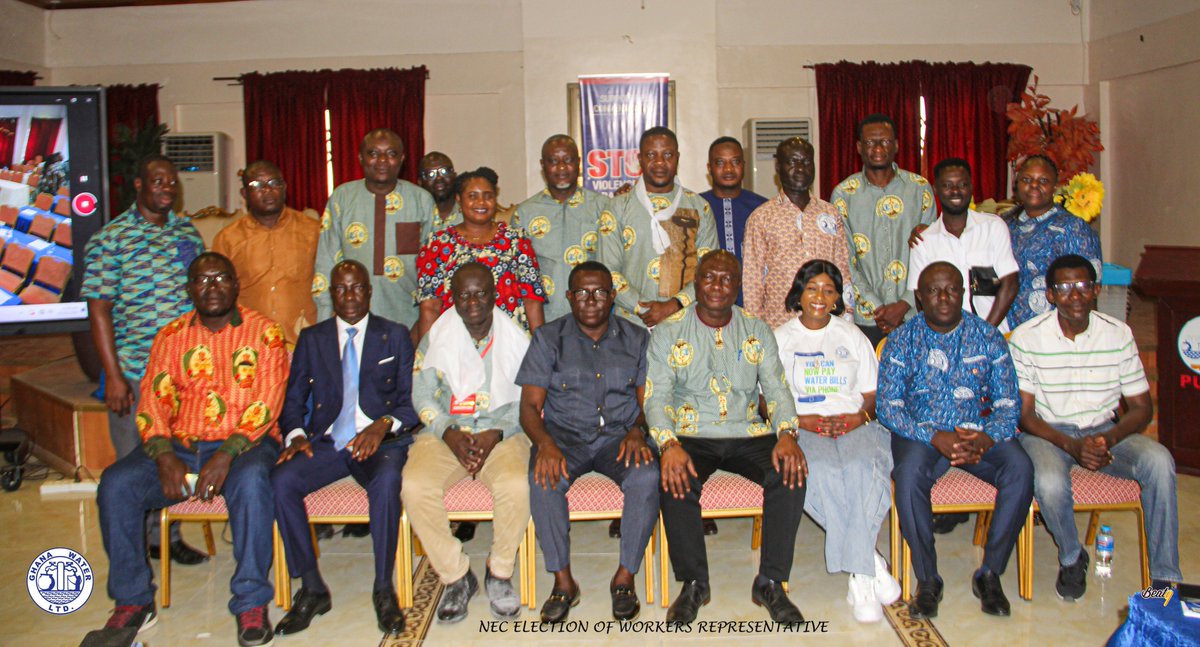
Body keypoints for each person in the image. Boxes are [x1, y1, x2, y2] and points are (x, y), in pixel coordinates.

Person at [94, 252, 288, 647]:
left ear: (236, 284)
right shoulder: (171, 336)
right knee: (116, 484)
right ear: (189, 289)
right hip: (181, 447)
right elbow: (152, 402)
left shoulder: (265, 333)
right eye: (202, 280)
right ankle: (133, 600)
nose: (212, 287)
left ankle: (251, 602)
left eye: (221, 279)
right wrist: (163, 455)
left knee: (251, 482)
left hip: (246, 443)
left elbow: (266, 404)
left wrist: (225, 455)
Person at [647, 250, 807, 624]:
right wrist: (668, 443)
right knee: (674, 479)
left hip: (747, 429)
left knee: (791, 471)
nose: (717, 286)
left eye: (727, 279)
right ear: (695, 283)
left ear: (738, 286)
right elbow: (656, 396)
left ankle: (770, 582)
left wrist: (786, 433)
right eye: (709, 277)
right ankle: (693, 584)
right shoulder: (669, 331)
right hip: (691, 432)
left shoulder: (757, 329)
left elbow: (778, 390)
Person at [1010, 254, 1180, 598]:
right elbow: (1025, 416)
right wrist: (1072, 445)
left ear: (1097, 290)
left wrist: (1108, 437)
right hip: (1048, 433)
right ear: (1051, 295)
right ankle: (1072, 557)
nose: (1075, 295)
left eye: (1083, 286)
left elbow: (1141, 408)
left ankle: (1164, 582)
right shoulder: (1027, 338)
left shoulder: (1118, 334)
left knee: (1160, 461)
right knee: (1048, 480)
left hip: (1105, 430)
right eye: (1065, 288)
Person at [271, 260, 420, 635]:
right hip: (327, 441)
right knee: (281, 480)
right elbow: (292, 402)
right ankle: (312, 586)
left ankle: (383, 588)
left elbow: (410, 403)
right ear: (330, 293)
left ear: (369, 292)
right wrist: (296, 436)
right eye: (340, 288)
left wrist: (380, 425)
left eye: (356, 288)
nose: (349, 295)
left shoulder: (396, 335)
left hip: (380, 442)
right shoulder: (313, 338)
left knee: (387, 482)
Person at [878, 262, 1033, 620]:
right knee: (909, 475)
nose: (944, 297)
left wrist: (988, 437)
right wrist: (933, 435)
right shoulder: (903, 339)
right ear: (919, 297)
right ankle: (928, 579)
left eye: (952, 289)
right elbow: (889, 407)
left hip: (977, 434)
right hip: (923, 434)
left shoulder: (988, 336)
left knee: (1021, 468)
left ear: (963, 293)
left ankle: (990, 573)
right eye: (934, 290)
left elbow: (1010, 403)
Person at [82, 153, 208, 564]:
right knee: (133, 465)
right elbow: (98, 311)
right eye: (157, 181)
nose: (167, 187)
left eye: (172, 181)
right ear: (138, 185)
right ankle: (135, 548)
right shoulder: (111, 238)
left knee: (174, 459)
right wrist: (114, 377)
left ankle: (166, 538)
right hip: (135, 373)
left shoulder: (186, 232)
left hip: (183, 378)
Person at [516, 260, 657, 623]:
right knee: (542, 480)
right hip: (564, 438)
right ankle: (564, 582)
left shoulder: (638, 338)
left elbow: (649, 403)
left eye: (599, 292)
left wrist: (638, 430)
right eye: (581, 292)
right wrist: (544, 444)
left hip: (619, 437)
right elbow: (529, 408)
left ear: (612, 296)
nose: (590, 300)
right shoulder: (548, 338)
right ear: (568, 297)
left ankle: (625, 578)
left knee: (645, 475)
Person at [402, 263, 532, 623]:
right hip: (446, 433)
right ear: (453, 298)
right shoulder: (436, 337)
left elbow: (530, 401)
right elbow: (422, 395)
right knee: (415, 485)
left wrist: (496, 432)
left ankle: (500, 572)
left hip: (503, 431)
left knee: (517, 484)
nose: (473, 301)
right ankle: (457, 576)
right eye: (464, 295)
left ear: (494, 294)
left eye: (480, 293)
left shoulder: (518, 338)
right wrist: (447, 430)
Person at [772, 259, 900, 623]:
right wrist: (800, 421)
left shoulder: (852, 334)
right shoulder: (781, 338)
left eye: (829, 290)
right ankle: (869, 566)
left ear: (837, 298)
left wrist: (859, 417)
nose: (820, 296)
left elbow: (873, 394)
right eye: (812, 288)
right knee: (823, 473)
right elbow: (766, 397)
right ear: (799, 292)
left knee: (864, 469)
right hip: (802, 427)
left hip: (855, 423)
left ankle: (860, 574)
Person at [831, 114, 936, 347]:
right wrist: (878, 307)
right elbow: (844, 259)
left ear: (896, 144)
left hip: (914, 313)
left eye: (885, 141)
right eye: (870, 142)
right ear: (859, 147)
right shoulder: (844, 194)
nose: (878, 148)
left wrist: (905, 303)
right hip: (867, 318)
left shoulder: (920, 189)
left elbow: (931, 254)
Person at [314, 128, 436, 329]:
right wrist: (325, 322)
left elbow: (433, 269)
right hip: (351, 321)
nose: (382, 160)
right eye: (373, 153)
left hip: (409, 319)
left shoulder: (421, 200)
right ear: (361, 158)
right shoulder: (342, 198)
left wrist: (425, 325)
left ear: (402, 159)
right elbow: (326, 263)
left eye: (391, 153)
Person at [597, 126, 718, 328]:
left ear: (678, 158)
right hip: (631, 324)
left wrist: (674, 305)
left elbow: (709, 271)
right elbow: (607, 271)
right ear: (640, 159)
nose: (660, 162)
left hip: (687, 323)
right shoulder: (617, 207)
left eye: (667, 154)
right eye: (651, 154)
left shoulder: (699, 207)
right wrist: (644, 309)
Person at [415, 167, 546, 338]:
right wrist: (426, 353)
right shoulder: (437, 245)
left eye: (488, 196)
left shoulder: (516, 240)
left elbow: (532, 300)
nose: (481, 202)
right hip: (454, 342)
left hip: (510, 342)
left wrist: (541, 349)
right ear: (459, 200)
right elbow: (430, 306)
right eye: (472, 196)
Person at [743, 136, 853, 328]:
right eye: (792, 162)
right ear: (778, 167)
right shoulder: (761, 217)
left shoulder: (830, 213)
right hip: (779, 325)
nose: (800, 168)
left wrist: (847, 317)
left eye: (806, 162)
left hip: (827, 324)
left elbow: (842, 269)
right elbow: (752, 282)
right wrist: (757, 331)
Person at [212, 160, 320, 347]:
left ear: (284, 187)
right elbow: (220, 296)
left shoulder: (312, 231)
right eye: (258, 185)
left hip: (303, 340)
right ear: (245, 193)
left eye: (274, 183)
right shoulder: (228, 238)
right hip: (249, 345)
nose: (268, 190)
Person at [908, 157, 1018, 331]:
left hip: (995, 334)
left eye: (962, 184)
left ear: (971, 187)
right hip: (947, 340)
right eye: (947, 185)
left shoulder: (993, 227)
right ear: (936, 189)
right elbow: (920, 297)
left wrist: (986, 332)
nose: (955, 191)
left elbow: (1010, 283)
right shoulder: (924, 241)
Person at [513, 134, 610, 323]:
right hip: (544, 319)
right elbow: (518, 275)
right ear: (543, 165)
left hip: (595, 318)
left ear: (579, 163)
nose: (562, 167)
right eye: (553, 161)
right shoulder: (524, 214)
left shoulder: (603, 207)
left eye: (568, 160)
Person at [1006, 155, 1103, 329]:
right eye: (1027, 179)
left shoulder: (1072, 228)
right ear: (1017, 184)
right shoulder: (1005, 224)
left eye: (1043, 180)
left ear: (1054, 186)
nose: (1034, 185)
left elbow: (1088, 286)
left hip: (1053, 332)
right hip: (1006, 329)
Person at [699, 136, 767, 263]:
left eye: (735, 162)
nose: (728, 169)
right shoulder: (696, 206)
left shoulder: (763, 208)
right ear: (709, 168)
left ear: (743, 166)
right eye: (720, 162)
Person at [419, 151, 462, 230]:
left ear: (455, 175)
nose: (439, 178)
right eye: (430, 174)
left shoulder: (470, 213)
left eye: (444, 171)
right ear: (420, 182)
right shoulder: (413, 216)